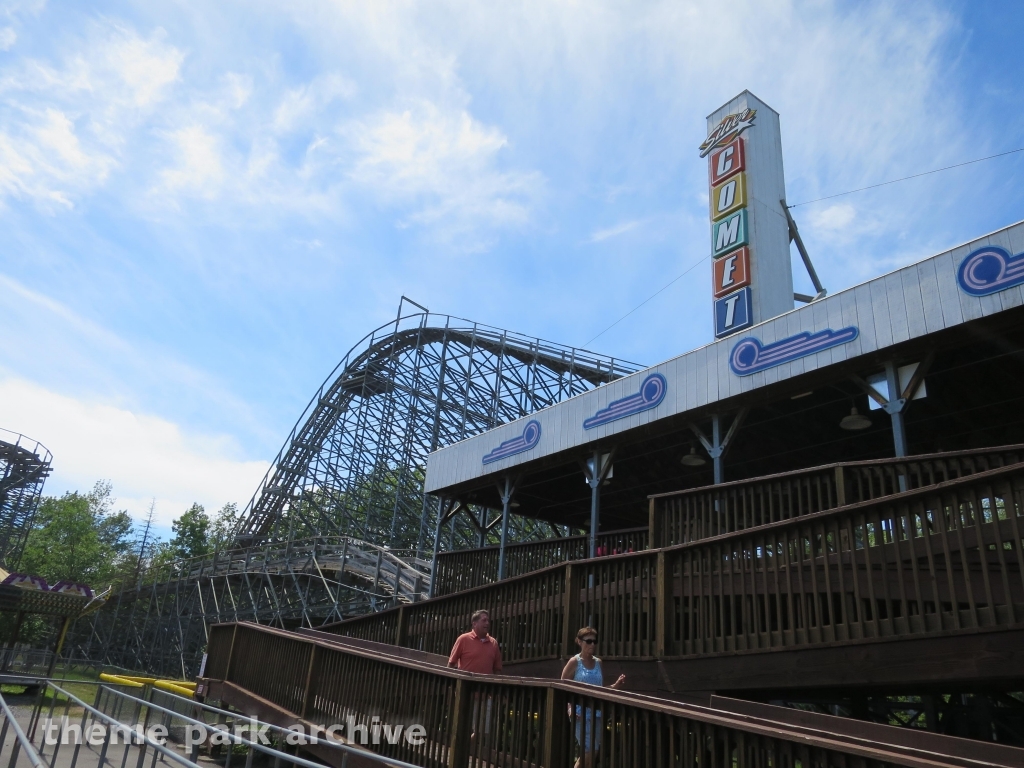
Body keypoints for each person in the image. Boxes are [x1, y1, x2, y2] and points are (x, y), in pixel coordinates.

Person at [560, 627, 625, 768]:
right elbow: (562, 687)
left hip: (597, 713)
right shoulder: (574, 662)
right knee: (589, 750)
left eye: (594, 642)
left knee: (593, 751)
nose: (592, 645)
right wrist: (569, 707)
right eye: (588, 641)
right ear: (579, 641)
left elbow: (600, 690)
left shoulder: (598, 663)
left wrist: (616, 685)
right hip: (580, 713)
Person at [448, 609, 502, 750]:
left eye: (488, 620)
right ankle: (459, 752)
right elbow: (451, 663)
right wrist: (453, 684)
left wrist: (495, 688)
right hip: (465, 691)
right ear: (474, 623)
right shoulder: (463, 639)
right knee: (462, 725)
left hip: (485, 693)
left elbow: (497, 669)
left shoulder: (494, 643)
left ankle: (462, 749)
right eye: (483, 620)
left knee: (482, 729)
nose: (487, 623)